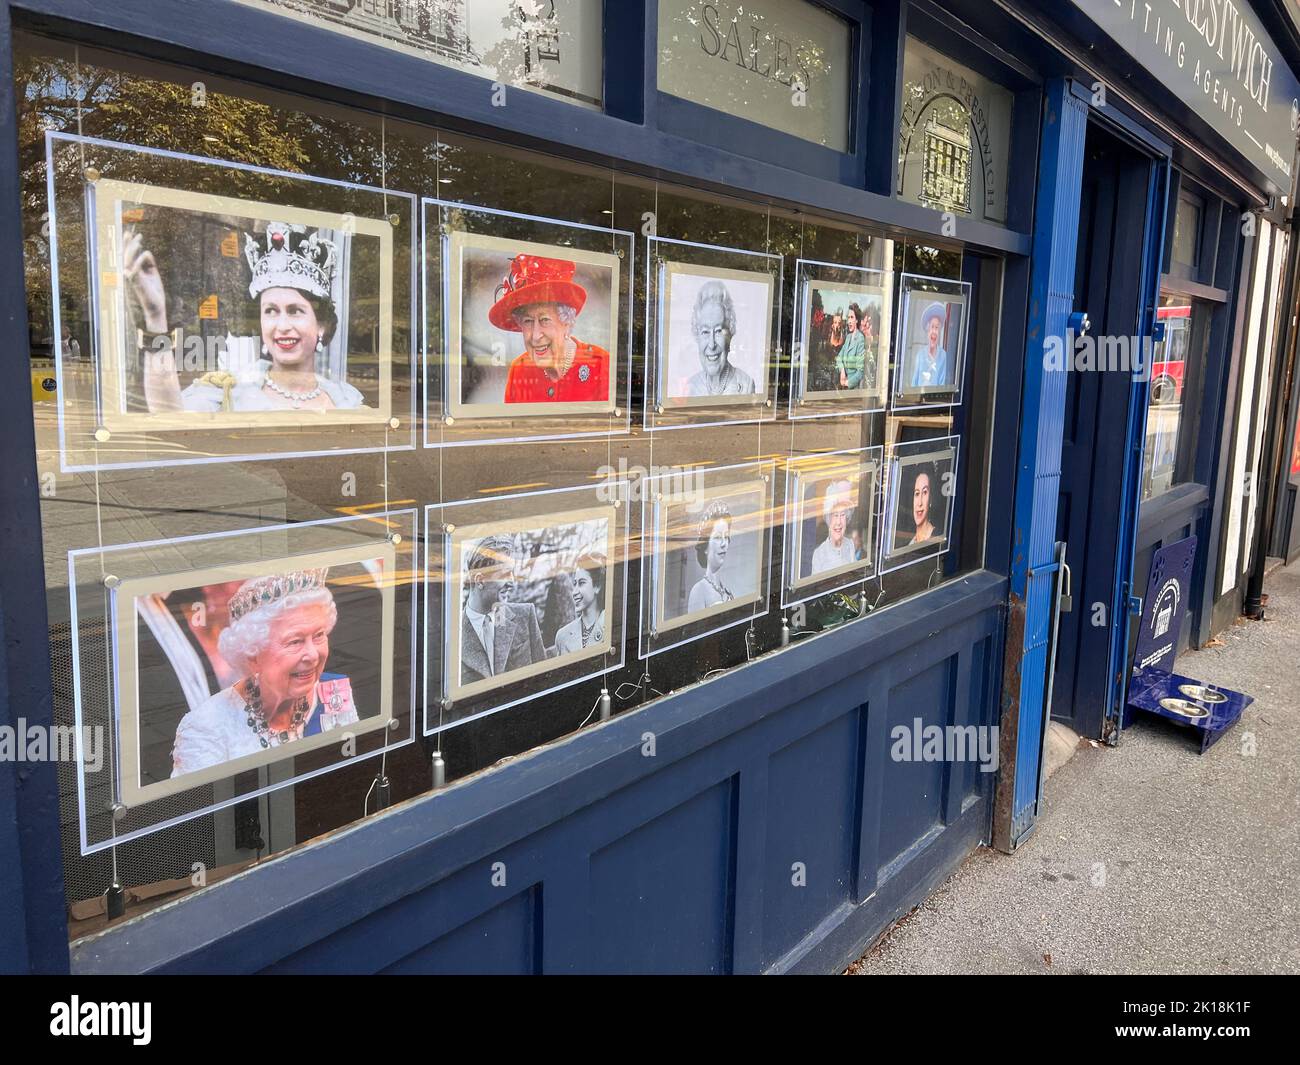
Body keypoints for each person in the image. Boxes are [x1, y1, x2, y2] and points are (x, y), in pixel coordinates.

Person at [126, 220, 366, 413]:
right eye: (270, 311)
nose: (282, 326)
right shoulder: (231, 390)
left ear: (321, 326)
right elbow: (170, 417)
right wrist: (155, 317)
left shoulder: (345, 398)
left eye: (295, 311)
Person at [170, 569, 359, 778]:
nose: (313, 655)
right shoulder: (205, 729)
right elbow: (201, 808)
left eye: (318, 636)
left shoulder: (334, 693)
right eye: (295, 641)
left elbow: (351, 774)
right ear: (253, 655)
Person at [490, 254, 610, 404]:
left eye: (545, 320)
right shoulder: (519, 370)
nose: (535, 336)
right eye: (527, 321)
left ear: (566, 323)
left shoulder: (601, 365)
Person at [460, 535, 547, 686]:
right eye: (506, 574)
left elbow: (545, 678)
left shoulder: (525, 616)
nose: (512, 582)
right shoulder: (452, 633)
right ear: (480, 580)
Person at [684, 281, 756, 397]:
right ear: (697, 336)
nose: (712, 345)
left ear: (730, 335)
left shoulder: (745, 385)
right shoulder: (691, 386)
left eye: (718, 331)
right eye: (705, 332)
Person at [687, 499, 736, 612]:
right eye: (718, 537)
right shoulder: (699, 591)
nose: (724, 544)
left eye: (726, 537)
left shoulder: (727, 591)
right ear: (705, 546)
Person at [554, 552, 607, 654]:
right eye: (574, 584)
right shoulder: (562, 636)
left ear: (597, 586)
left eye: (582, 583)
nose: (574, 592)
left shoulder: (610, 624)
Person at [810, 479, 858, 574]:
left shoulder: (850, 545)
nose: (839, 522)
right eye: (835, 515)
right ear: (828, 519)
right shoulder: (819, 554)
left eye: (843, 515)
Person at [909, 301, 951, 391]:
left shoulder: (943, 355)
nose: (934, 331)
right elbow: (914, 382)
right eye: (932, 327)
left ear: (939, 331)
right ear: (928, 330)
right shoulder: (920, 355)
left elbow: (942, 384)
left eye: (937, 327)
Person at [836, 303, 867, 390]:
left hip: (853, 389)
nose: (849, 321)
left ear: (857, 320)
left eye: (852, 317)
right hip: (843, 385)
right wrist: (842, 371)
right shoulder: (848, 337)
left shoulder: (860, 339)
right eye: (848, 317)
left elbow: (860, 372)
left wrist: (847, 383)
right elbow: (839, 357)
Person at [907, 465, 939, 545]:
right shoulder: (909, 543)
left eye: (925, 492)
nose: (920, 503)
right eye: (917, 493)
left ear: (931, 499)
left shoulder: (937, 539)